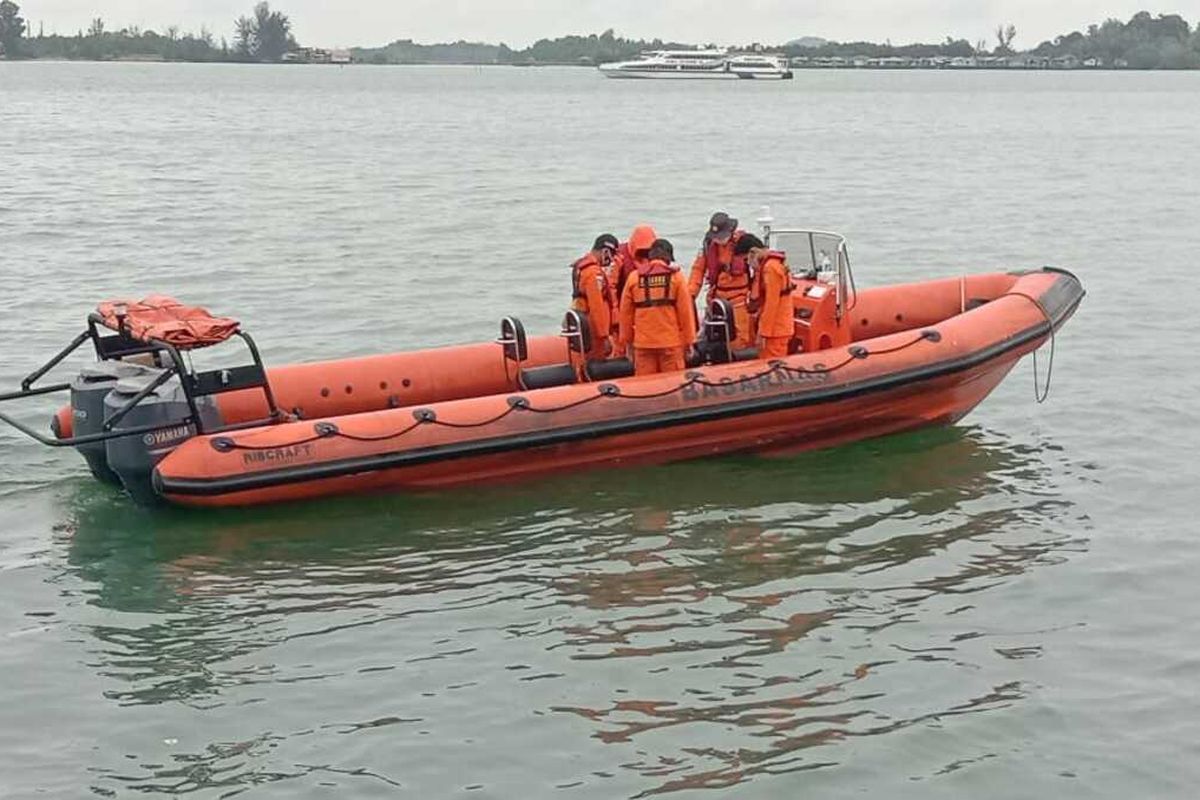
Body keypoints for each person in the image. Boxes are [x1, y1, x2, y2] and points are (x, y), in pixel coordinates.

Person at [619, 238, 697, 376]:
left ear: (650, 257)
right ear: (668, 259)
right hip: (670, 344)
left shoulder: (633, 278)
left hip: (643, 345)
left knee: (645, 387)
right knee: (673, 385)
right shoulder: (677, 278)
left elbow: (625, 314)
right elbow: (686, 313)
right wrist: (689, 342)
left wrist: (627, 343)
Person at [687, 212, 755, 348]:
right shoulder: (708, 246)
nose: (719, 240)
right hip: (716, 299)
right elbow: (698, 270)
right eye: (716, 237)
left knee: (741, 339)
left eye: (722, 236)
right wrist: (690, 295)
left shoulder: (744, 243)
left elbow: (758, 267)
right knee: (714, 337)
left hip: (739, 300)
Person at [733, 234, 794, 359]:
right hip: (774, 328)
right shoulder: (768, 266)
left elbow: (772, 303)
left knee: (772, 363)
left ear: (753, 252)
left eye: (746, 260)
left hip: (776, 330)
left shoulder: (770, 269)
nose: (748, 264)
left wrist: (763, 333)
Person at [570, 233, 619, 361]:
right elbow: (596, 305)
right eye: (612, 255)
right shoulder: (593, 273)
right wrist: (604, 336)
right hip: (593, 329)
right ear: (605, 251)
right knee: (596, 360)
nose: (612, 259)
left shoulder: (581, 267)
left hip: (583, 322)